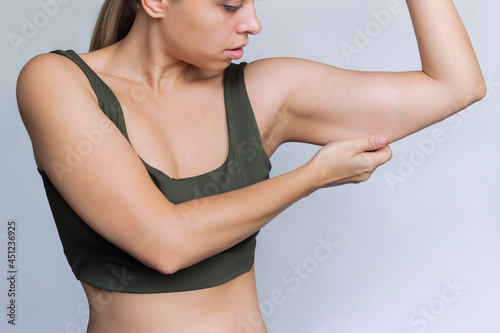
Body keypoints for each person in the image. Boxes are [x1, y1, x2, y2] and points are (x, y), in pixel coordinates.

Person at [16, 0, 485, 332]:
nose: (254, 23)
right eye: (229, 5)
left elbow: (457, 86)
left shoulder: (264, 93)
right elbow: (165, 243)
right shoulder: (56, 82)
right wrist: (311, 177)